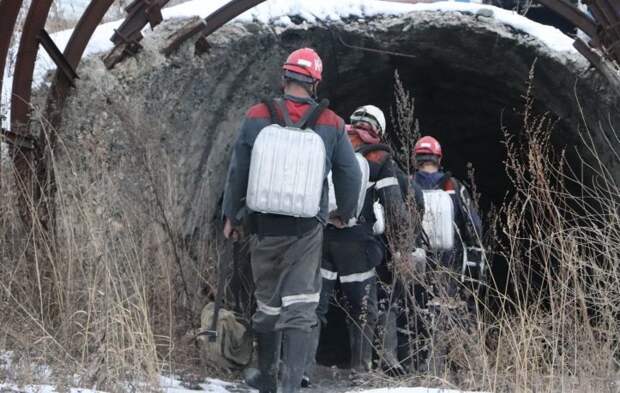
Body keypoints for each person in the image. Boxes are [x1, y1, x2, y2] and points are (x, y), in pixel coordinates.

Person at [222, 47, 361, 393]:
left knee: (267, 304)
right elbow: (349, 174)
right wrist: (343, 213)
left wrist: (231, 215)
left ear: (284, 77)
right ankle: (290, 386)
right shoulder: (332, 123)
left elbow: (238, 168)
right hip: (306, 231)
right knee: (301, 305)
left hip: (264, 227)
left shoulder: (257, 114)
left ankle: (267, 378)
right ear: (315, 82)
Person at [309, 105, 411, 381]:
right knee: (363, 308)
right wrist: (402, 248)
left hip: (321, 236)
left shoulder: (331, 142)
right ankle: (361, 368)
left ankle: (303, 364)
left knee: (315, 303)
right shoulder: (380, 157)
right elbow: (394, 207)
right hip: (357, 243)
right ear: (378, 129)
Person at [410, 135, 485, 369]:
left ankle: (420, 361)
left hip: (418, 257)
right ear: (438, 158)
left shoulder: (408, 184)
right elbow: (473, 226)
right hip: (450, 257)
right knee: (447, 305)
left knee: (416, 306)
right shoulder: (454, 186)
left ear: (416, 159)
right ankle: (452, 361)